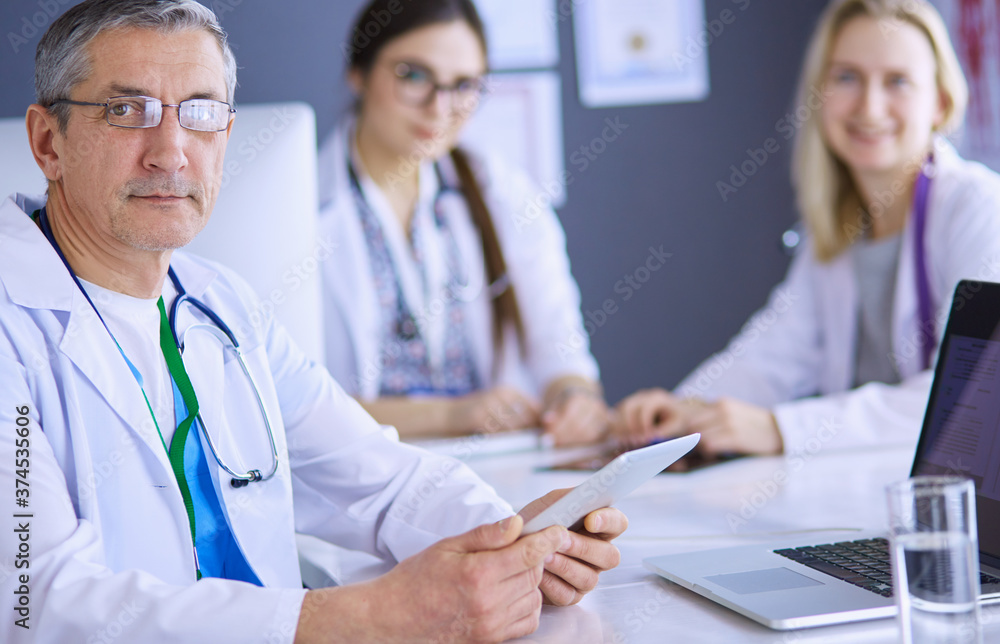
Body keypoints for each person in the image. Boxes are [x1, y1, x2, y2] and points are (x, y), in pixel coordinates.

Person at [0, 1, 626, 642]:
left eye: (201, 112)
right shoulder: (11, 329)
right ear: (50, 143)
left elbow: (382, 479)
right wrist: (365, 617)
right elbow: (37, 604)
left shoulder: (225, 307)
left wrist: (516, 536)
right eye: (126, 111)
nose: (171, 153)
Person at [614, 0, 1000, 458]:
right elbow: (774, 353)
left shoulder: (979, 209)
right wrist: (685, 409)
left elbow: (970, 396)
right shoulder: (836, 229)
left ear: (940, 102)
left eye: (897, 81)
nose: (869, 106)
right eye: (846, 78)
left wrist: (781, 430)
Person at [318, 0, 607, 446]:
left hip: (498, 472)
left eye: (464, 85)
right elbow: (290, 404)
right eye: (413, 75)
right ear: (358, 72)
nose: (440, 108)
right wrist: (453, 415)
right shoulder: (300, 205)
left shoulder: (501, 191)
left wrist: (575, 400)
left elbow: (562, 353)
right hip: (359, 481)